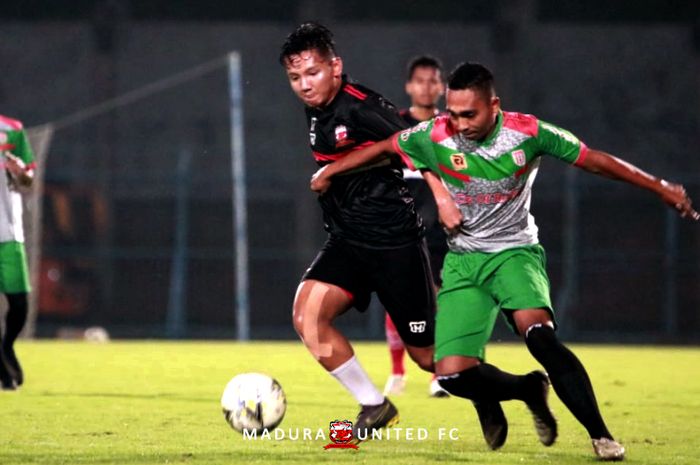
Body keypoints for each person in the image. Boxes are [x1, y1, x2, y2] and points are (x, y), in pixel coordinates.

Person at [311, 62, 699, 460]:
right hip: (464, 262)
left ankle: (601, 435)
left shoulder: (528, 132)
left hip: (514, 254)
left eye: (470, 114)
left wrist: (659, 186)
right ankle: (527, 388)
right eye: (454, 113)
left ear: (494, 105)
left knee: (540, 337)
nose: (459, 124)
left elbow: (594, 159)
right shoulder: (434, 133)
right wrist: (330, 171)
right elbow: (384, 149)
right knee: (451, 375)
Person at [279, 22, 437, 440]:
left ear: (336, 67)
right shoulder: (318, 108)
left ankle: (506, 389)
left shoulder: (362, 106)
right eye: (295, 77)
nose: (304, 85)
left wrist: (444, 197)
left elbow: (412, 145)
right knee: (307, 314)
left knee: (430, 359)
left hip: (394, 243)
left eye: (312, 73)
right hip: (349, 241)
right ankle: (374, 404)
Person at [383, 55, 448, 398]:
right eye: (420, 80)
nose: (426, 86)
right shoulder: (394, 125)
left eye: (432, 80)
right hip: (401, 230)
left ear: (442, 86)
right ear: (409, 86)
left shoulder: (450, 129)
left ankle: (439, 375)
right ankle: (397, 372)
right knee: (397, 299)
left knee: (439, 300)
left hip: (441, 231)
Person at [0, 114, 36, 391]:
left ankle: (7, 346)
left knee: (20, 305)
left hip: (9, 235)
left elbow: (28, 182)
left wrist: (19, 172)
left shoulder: (11, 130)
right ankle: (3, 371)